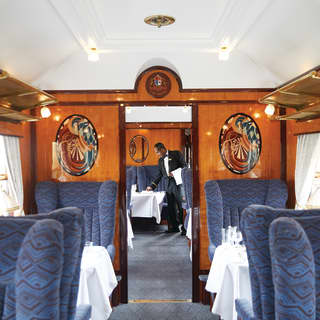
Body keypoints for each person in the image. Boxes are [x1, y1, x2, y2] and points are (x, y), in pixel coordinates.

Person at [147, 142, 187, 235]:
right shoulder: (160, 160)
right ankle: (174, 227)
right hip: (168, 185)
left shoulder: (176, 154)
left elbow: (184, 166)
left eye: (157, 152)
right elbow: (159, 175)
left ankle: (184, 228)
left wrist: (175, 172)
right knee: (171, 207)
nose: (157, 154)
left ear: (162, 149)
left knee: (181, 206)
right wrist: (152, 186)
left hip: (178, 183)